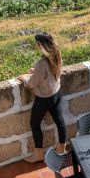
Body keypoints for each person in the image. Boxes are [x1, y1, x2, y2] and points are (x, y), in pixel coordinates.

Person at [26, 32, 67, 162]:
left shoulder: (41, 63)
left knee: (34, 124)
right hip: (57, 94)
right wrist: (36, 71)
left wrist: (24, 80)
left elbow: (31, 83)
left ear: (40, 45)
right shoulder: (57, 55)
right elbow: (49, 72)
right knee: (60, 121)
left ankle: (39, 154)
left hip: (44, 99)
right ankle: (62, 148)